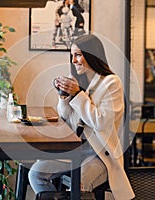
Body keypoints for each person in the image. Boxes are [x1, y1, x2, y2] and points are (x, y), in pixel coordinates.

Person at [28, 34, 135, 200]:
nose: (73, 61)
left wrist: (77, 94)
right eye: (72, 56)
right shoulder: (79, 83)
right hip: (76, 151)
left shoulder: (111, 83)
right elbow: (68, 122)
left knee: (79, 185)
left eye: (78, 54)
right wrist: (64, 97)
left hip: (99, 154)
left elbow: (100, 122)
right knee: (36, 173)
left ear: (92, 55)